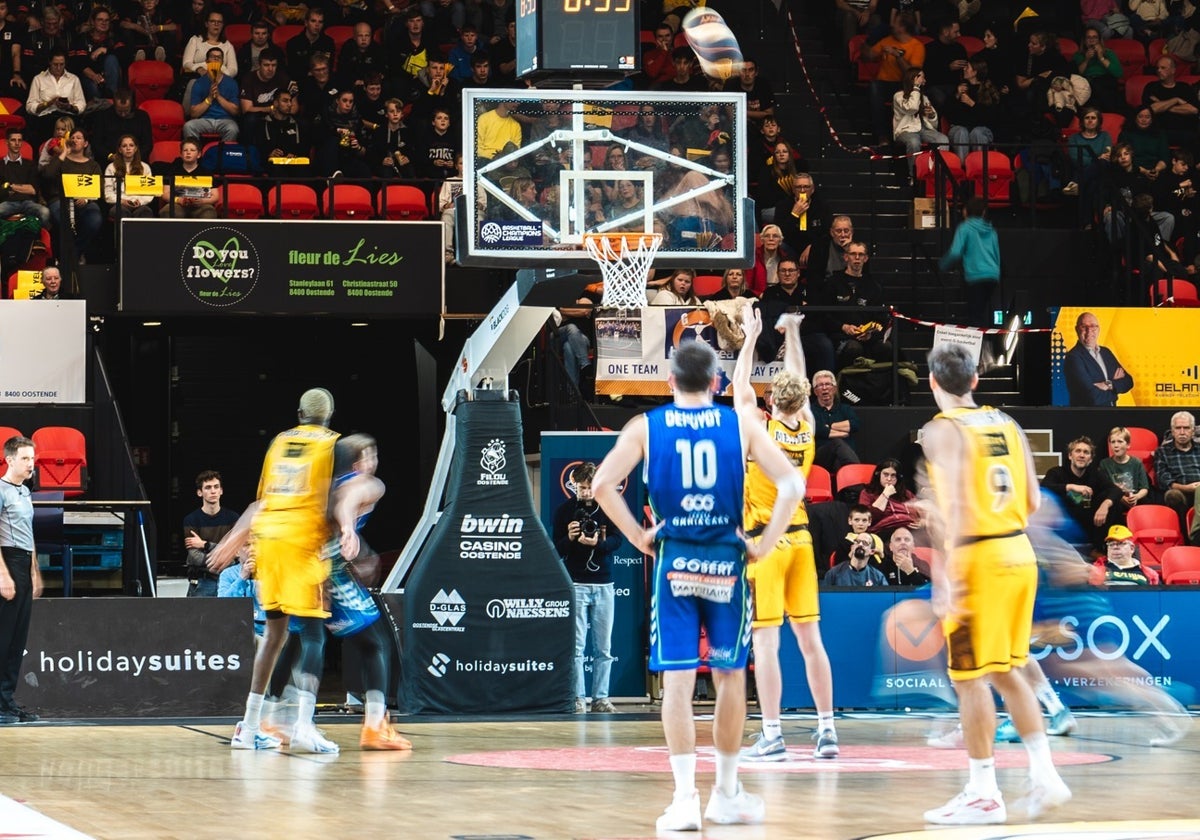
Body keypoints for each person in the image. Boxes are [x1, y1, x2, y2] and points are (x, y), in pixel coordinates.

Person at [591, 332, 805, 833]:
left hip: (675, 560)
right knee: (731, 675)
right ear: (717, 381)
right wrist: (766, 540)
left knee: (678, 681)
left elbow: (602, 484)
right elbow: (793, 484)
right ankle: (726, 793)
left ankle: (684, 799)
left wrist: (640, 536)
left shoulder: (646, 425)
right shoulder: (741, 425)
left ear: (669, 381)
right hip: (727, 560)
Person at [919, 342, 1071, 825]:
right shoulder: (1007, 423)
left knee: (968, 680)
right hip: (1018, 553)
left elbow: (959, 505)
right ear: (976, 382)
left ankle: (984, 792)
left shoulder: (940, 430)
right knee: (1009, 669)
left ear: (933, 383)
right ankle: (1046, 775)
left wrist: (949, 577)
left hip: (977, 556)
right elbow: (1031, 501)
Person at [207, 388, 341, 754]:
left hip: (270, 541)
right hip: (302, 542)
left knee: (275, 634)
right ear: (328, 416)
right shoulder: (332, 444)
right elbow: (332, 499)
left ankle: (249, 727)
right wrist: (341, 537)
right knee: (314, 634)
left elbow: (262, 501)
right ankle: (303, 726)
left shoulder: (280, 442)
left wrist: (234, 539)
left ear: (299, 413)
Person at [733, 309, 839, 762]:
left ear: (773, 400)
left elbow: (739, 391)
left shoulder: (760, 431)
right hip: (802, 540)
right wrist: (792, 331)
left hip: (766, 542)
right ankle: (827, 730)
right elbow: (796, 376)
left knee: (767, 642)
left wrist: (750, 338)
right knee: (812, 641)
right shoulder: (808, 428)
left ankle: (773, 734)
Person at [552, 461, 621, 714]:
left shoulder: (608, 508)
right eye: (581, 488)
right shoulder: (563, 511)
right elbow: (556, 549)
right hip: (576, 582)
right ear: (574, 486)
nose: (586, 493)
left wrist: (598, 544)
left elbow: (617, 540)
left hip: (604, 583)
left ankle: (601, 699)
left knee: (604, 648)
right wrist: (570, 539)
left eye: (590, 487)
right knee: (577, 647)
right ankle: (579, 698)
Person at [0, 434, 40, 724]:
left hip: (24, 563)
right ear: (9, 459)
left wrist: (35, 569)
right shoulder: (0, 490)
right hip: (7, 561)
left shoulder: (25, 492)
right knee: (3, 638)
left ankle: (6, 701)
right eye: (25, 458)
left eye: (33, 458)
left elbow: (29, 533)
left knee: (17, 639)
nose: (31, 464)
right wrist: (3, 574)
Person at [1041, 435, 1122, 552]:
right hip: (1063, 520)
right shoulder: (1057, 472)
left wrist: (1105, 505)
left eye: (1086, 452)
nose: (1082, 455)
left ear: (1091, 459)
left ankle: (1099, 549)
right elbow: (1044, 487)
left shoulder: (1095, 474)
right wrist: (1071, 487)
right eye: (1078, 451)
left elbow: (1115, 490)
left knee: (1112, 501)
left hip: (1088, 522)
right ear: (1070, 456)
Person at [939, 196, 1000, 328]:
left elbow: (955, 252)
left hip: (976, 275)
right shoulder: (991, 230)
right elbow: (996, 254)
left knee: (974, 316)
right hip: (992, 275)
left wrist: (942, 265)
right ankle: (987, 344)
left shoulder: (965, 228)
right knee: (983, 313)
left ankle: (978, 347)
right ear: (983, 212)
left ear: (966, 211)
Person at [182, 469, 240, 597]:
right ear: (199, 492)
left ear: (221, 491)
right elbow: (194, 557)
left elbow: (236, 554)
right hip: (203, 581)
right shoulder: (191, 519)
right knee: (198, 617)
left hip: (230, 579)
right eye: (208, 487)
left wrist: (205, 545)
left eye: (216, 487)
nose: (213, 491)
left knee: (231, 616)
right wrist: (224, 554)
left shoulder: (233, 518)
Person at [1063, 311, 1133, 406]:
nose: (1089, 331)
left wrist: (1107, 384)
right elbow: (1092, 397)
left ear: (1098, 329)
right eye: (1084, 327)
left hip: (1111, 415)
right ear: (1077, 330)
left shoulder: (1106, 352)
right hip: (1089, 418)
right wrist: (1115, 391)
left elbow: (1128, 382)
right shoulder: (1073, 357)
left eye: (1093, 326)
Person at [893, 67, 950, 175]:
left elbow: (934, 124)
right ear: (913, 78)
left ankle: (938, 174)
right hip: (906, 131)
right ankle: (914, 176)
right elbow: (912, 108)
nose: (924, 80)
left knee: (943, 139)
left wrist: (932, 115)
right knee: (914, 141)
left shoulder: (924, 97)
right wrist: (915, 88)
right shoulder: (898, 95)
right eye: (922, 77)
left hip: (923, 130)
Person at [1153, 410, 1200, 530]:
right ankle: (1185, 536)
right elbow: (1162, 479)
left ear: (1193, 431)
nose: (1182, 432)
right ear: (1172, 431)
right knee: (1172, 495)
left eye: (1186, 428)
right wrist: (1186, 488)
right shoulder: (1163, 451)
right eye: (1178, 428)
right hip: (1180, 492)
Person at [184, 46, 241, 143]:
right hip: (205, 120)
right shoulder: (199, 83)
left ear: (222, 62)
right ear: (206, 61)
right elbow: (194, 113)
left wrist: (218, 96)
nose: (215, 59)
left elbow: (235, 111)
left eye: (218, 57)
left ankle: (223, 154)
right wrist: (209, 98)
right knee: (188, 126)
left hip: (225, 120)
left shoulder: (231, 83)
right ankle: (196, 154)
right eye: (212, 57)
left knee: (233, 129)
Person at [810, 368, 861, 474]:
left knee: (839, 461)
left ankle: (850, 489)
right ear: (815, 391)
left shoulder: (845, 409)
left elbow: (855, 424)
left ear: (834, 388)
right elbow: (817, 429)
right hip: (821, 457)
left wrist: (830, 426)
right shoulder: (810, 411)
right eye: (820, 385)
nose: (824, 388)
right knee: (837, 443)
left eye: (828, 384)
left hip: (843, 458)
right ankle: (859, 477)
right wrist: (843, 432)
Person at [0, 128, 51, 229]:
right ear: (7, 142)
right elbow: (1, 190)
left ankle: (38, 240)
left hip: (28, 202)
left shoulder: (30, 165)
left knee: (45, 212)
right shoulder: (0, 165)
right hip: (7, 203)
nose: (17, 143)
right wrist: (23, 188)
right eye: (13, 140)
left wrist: (10, 186)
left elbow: (33, 190)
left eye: (19, 140)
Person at [858, 457, 920, 537]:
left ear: (898, 478)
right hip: (885, 532)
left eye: (893, 475)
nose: (889, 479)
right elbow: (868, 518)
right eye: (886, 474)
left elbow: (920, 513)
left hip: (910, 531)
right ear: (878, 474)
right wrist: (885, 495)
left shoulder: (906, 494)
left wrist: (922, 522)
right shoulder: (867, 493)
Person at [159, 138, 219, 219]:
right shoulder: (172, 171)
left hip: (201, 205)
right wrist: (178, 200)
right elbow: (165, 194)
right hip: (178, 204)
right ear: (181, 154)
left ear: (199, 154)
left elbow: (215, 196)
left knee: (209, 213)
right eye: (185, 150)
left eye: (192, 150)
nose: (188, 152)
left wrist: (202, 201)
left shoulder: (207, 173)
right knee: (167, 211)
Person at [1099, 426, 1151, 514]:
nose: (1116, 445)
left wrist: (1137, 497)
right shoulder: (1105, 464)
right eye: (1113, 442)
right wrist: (1121, 498)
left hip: (1134, 498)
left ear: (1128, 445)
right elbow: (1105, 488)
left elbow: (1144, 488)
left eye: (1120, 442)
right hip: (1115, 500)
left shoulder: (1136, 462)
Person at [823, 530, 887, 586]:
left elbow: (886, 598)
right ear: (852, 548)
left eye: (865, 543)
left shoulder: (878, 577)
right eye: (857, 542)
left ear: (872, 551)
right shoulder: (834, 573)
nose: (860, 544)